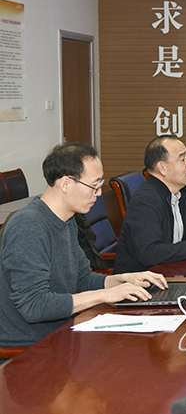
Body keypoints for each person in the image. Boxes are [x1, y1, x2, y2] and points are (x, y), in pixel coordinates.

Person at [0, 143, 166, 348]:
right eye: (94, 186)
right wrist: (105, 295)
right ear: (66, 184)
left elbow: (83, 280)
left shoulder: (67, 221)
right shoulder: (28, 226)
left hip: (64, 335)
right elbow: (34, 306)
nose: (98, 193)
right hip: (30, 349)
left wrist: (124, 279)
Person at [114, 136, 186, 274]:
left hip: (168, 273)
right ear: (162, 168)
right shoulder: (146, 201)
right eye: (182, 159)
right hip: (142, 283)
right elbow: (149, 253)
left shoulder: (176, 195)